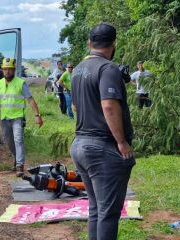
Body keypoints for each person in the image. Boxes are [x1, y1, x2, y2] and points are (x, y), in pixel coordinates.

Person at [70, 22, 135, 240]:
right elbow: (109, 105)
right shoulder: (108, 69)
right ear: (113, 44)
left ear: (90, 43)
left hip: (80, 145)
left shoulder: (78, 70)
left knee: (96, 209)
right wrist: (122, 142)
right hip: (102, 148)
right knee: (108, 213)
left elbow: (75, 107)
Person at [0, 58, 43, 177]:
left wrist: (37, 115)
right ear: (2, 70)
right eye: (5, 69)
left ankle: (19, 165)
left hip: (17, 117)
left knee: (18, 140)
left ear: (14, 70)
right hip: (5, 118)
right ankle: (17, 158)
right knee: (9, 142)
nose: (7, 71)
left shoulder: (21, 83)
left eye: (9, 69)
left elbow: (30, 99)